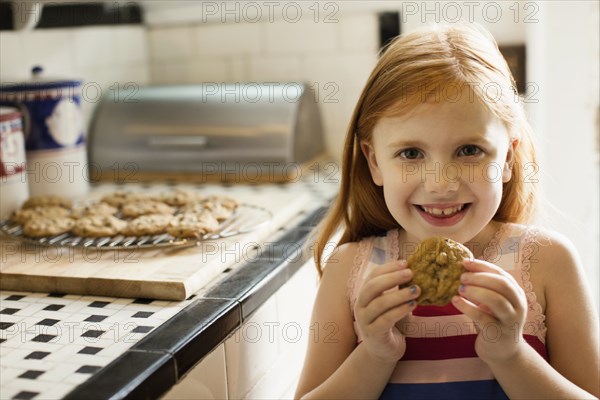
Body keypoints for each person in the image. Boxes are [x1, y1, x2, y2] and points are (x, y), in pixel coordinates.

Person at [295, 23, 599, 400]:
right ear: (375, 162)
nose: (441, 183)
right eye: (411, 153)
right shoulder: (349, 271)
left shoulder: (548, 263)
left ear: (507, 158)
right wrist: (374, 355)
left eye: (469, 150)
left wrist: (511, 355)